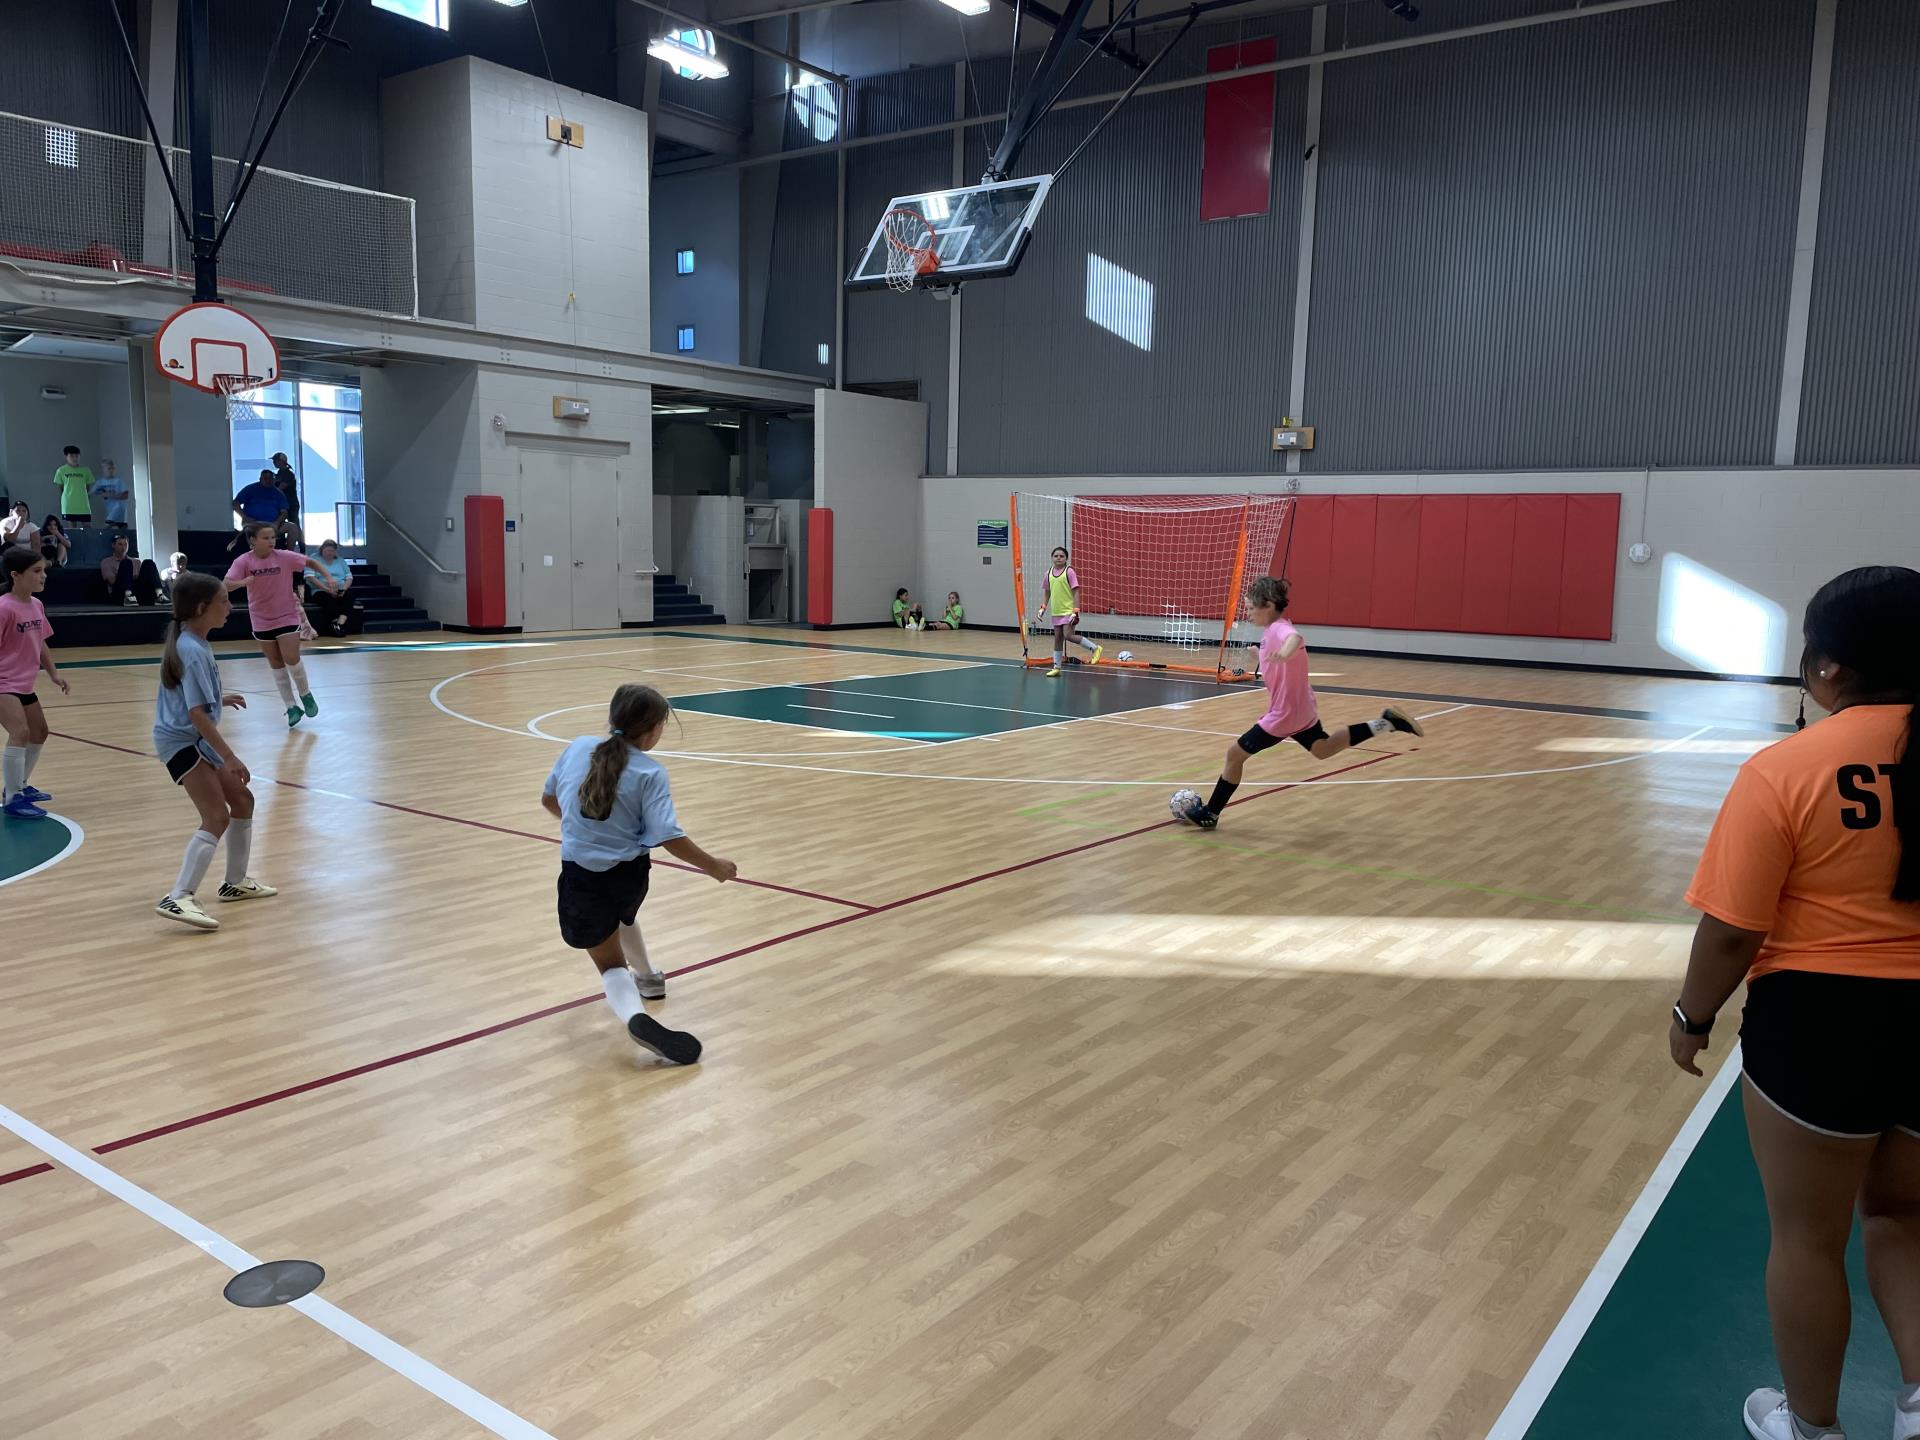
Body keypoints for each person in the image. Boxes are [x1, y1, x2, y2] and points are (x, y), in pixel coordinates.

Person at [1671, 565, 1920, 1440]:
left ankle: (1811, 1427)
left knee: (1808, 1240)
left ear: (1827, 670)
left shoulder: (1787, 769)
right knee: (1906, 1216)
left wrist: (1690, 1017)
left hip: (1821, 1026)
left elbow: (1733, 932)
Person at [541, 683, 733, 1065]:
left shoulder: (578, 747)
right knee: (621, 917)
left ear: (613, 717)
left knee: (610, 965)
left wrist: (581, 829)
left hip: (583, 877)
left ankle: (635, 1017)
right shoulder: (650, 772)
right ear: (652, 730)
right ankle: (648, 977)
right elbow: (667, 836)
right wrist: (714, 866)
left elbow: (549, 799)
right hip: (630, 878)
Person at [1176, 576, 1423, 830]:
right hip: (1302, 709)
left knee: (1234, 754)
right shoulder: (1273, 630)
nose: (1248, 613)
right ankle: (1386, 722)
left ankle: (1211, 813)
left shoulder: (1281, 630)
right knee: (1323, 748)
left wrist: (1284, 653)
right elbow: (1277, 650)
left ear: (1269, 605)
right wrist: (1258, 652)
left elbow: (1293, 638)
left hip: (1284, 715)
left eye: (1251, 608)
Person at [152, 572, 274, 930]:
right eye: (224, 601)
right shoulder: (191, 649)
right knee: (216, 816)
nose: (230, 607)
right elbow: (196, 714)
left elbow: (191, 700)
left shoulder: (194, 642)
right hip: (182, 742)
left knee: (243, 801)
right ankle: (179, 895)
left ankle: (235, 883)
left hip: (195, 738)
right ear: (203, 608)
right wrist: (231, 756)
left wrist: (218, 697)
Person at [224, 522, 337, 728]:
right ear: (253, 541)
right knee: (276, 664)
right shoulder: (244, 561)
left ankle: (306, 694)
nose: (271, 541)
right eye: (265, 538)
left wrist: (328, 576)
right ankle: (291, 706)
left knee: (291, 658)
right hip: (260, 618)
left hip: (286, 615)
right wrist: (242, 583)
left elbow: (311, 563)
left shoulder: (284, 557)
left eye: (273, 538)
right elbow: (226, 584)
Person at [0, 546, 70, 821]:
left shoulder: (36, 605)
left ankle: (20, 785)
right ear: (16, 575)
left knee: (39, 732)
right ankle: (13, 798)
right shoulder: (4, 608)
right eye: (37, 571)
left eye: (44, 571)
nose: (43, 577)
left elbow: (40, 641)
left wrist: (53, 674)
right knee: (19, 732)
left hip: (24, 682)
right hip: (3, 682)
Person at [1033, 546, 1102, 676]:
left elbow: (1075, 591)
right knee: (1058, 638)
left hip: (1069, 611)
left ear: (1066, 559)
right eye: (1056, 556)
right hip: (1056, 611)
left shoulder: (1069, 572)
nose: (1058, 558)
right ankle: (1056, 667)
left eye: (1061, 556)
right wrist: (1043, 607)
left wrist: (1075, 611)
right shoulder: (1048, 574)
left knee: (1068, 635)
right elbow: (1047, 592)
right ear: (1052, 558)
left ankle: (1095, 648)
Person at [305, 539, 358, 635]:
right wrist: (328, 590)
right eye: (328, 551)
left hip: (339, 588)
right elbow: (309, 577)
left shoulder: (340, 560)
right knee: (328, 600)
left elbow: (349, 577)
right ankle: (334, 623)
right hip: (320, 589)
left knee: (349, 596)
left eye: (332, 551)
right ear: (322, 550)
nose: (330, 553)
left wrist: (344, 589)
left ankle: (340, 624)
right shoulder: (314, 559)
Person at [230, 469, 289, 553]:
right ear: (260, 479)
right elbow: (235, 503)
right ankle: (255, 555)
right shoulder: (250, 489)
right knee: (249, 530)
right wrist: (244, 517)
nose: (268, 481)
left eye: (270, 479)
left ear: (274, 479)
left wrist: (277, 523)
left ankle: (290, 557)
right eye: (265, 478)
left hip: (273, 523)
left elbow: (284, 513)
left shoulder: (279, 493)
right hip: (253, 522)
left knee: (292, 528)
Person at [99, 533, 161, 606]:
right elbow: (112, 581)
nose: (123, 547)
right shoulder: (106, 562)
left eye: (125, 544)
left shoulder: (136, 561)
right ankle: (128, 596)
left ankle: (159, 595)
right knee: (126, 563)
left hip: (137, 592)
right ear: (113, 545)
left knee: (148, 562)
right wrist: (129, 576)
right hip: (119, 593)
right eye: (120, 544)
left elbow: (142, 580)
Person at [52, 447, 93, 526]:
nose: (74, 458)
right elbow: (61, 487)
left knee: (87, 527)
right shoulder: (61, 470)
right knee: (72, 528)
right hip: (69, 505)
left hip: (83, 505)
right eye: (71, 456)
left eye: (77, 456)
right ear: (66, 457)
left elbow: (88, 487)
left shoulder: (86, 470)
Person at [90, 460, 130, 528]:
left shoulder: (118, 481)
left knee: (107, 526)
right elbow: (91, 493)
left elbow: (125, 495)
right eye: (109, 468)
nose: (111, 471)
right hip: (110, 510)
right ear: (103, 470)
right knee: (120, 530)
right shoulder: (100, 483)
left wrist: (110, 495)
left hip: (119, 508)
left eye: (112, 468)